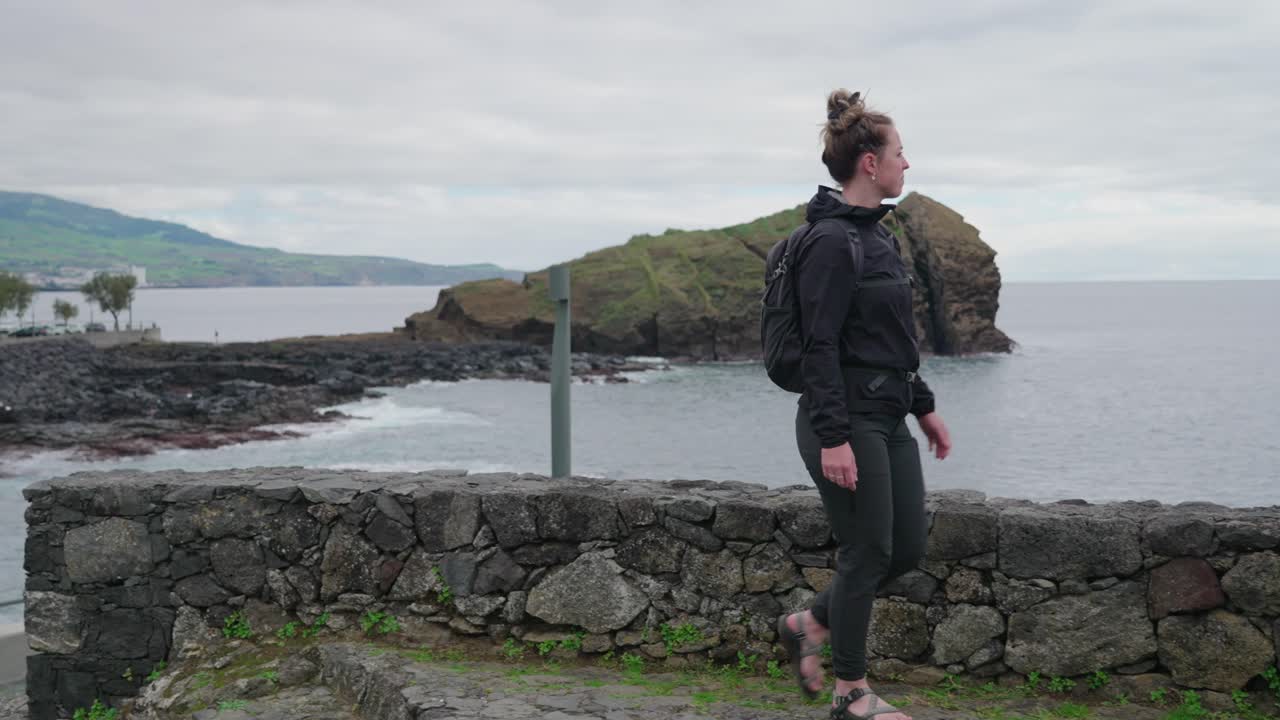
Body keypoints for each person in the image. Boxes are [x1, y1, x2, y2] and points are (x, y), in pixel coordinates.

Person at [776, 89, 952, 720]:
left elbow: (895, 339)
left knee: (904, 550)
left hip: (889, 413)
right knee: (866, 552)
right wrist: (832, 436)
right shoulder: (828, 243)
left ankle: (808, 623)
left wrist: (924, 404)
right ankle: (852, 692)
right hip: (844, 418)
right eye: (901, 153)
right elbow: (820, 346)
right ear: (870, 165)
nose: (909, 164)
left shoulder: (880, 239)